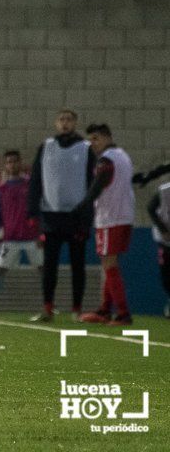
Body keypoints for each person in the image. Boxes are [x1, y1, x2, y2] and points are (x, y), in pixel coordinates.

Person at [27, 109, 95, 322]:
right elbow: (35, 180)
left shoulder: (86, 149)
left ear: (75, 122)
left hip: (76, 217)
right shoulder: (46, 147)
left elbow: (93, 185)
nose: (65, 123)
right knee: (49, 267)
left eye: (69, 119)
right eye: (62, 119)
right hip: (51, 216)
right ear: (56, 123)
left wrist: (87, 218)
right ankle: (48, 308)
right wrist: (32, 211)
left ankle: (77, 309)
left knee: (78, 266)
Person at [74, 124, 135, 326]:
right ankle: (105, 310)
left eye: (96, 138)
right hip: (123, 215)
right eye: (91, 140)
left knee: (109, 264)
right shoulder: (122, 155)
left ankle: (123, 313)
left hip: (111, 217)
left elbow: (97, 186)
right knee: (109, 263)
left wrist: (81, 206)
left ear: (108, 137)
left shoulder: (106, 160)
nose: (93, 143)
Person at [0, 150, 42, 313]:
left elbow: (40, 210)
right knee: (0, 270)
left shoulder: (30, 184)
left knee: (44, 270)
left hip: (31, 237)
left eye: (15, 161)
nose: (12, 165)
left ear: (20, 163)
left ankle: (49, 304)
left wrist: (42, 234)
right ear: (5, 166)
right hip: (10, 239)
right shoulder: (2, 189)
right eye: (9, 162)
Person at [147, 180, 170, 318]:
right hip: (166, 240)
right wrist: (163, 229)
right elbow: (150, 207)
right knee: (166, 275)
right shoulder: (165, 190)